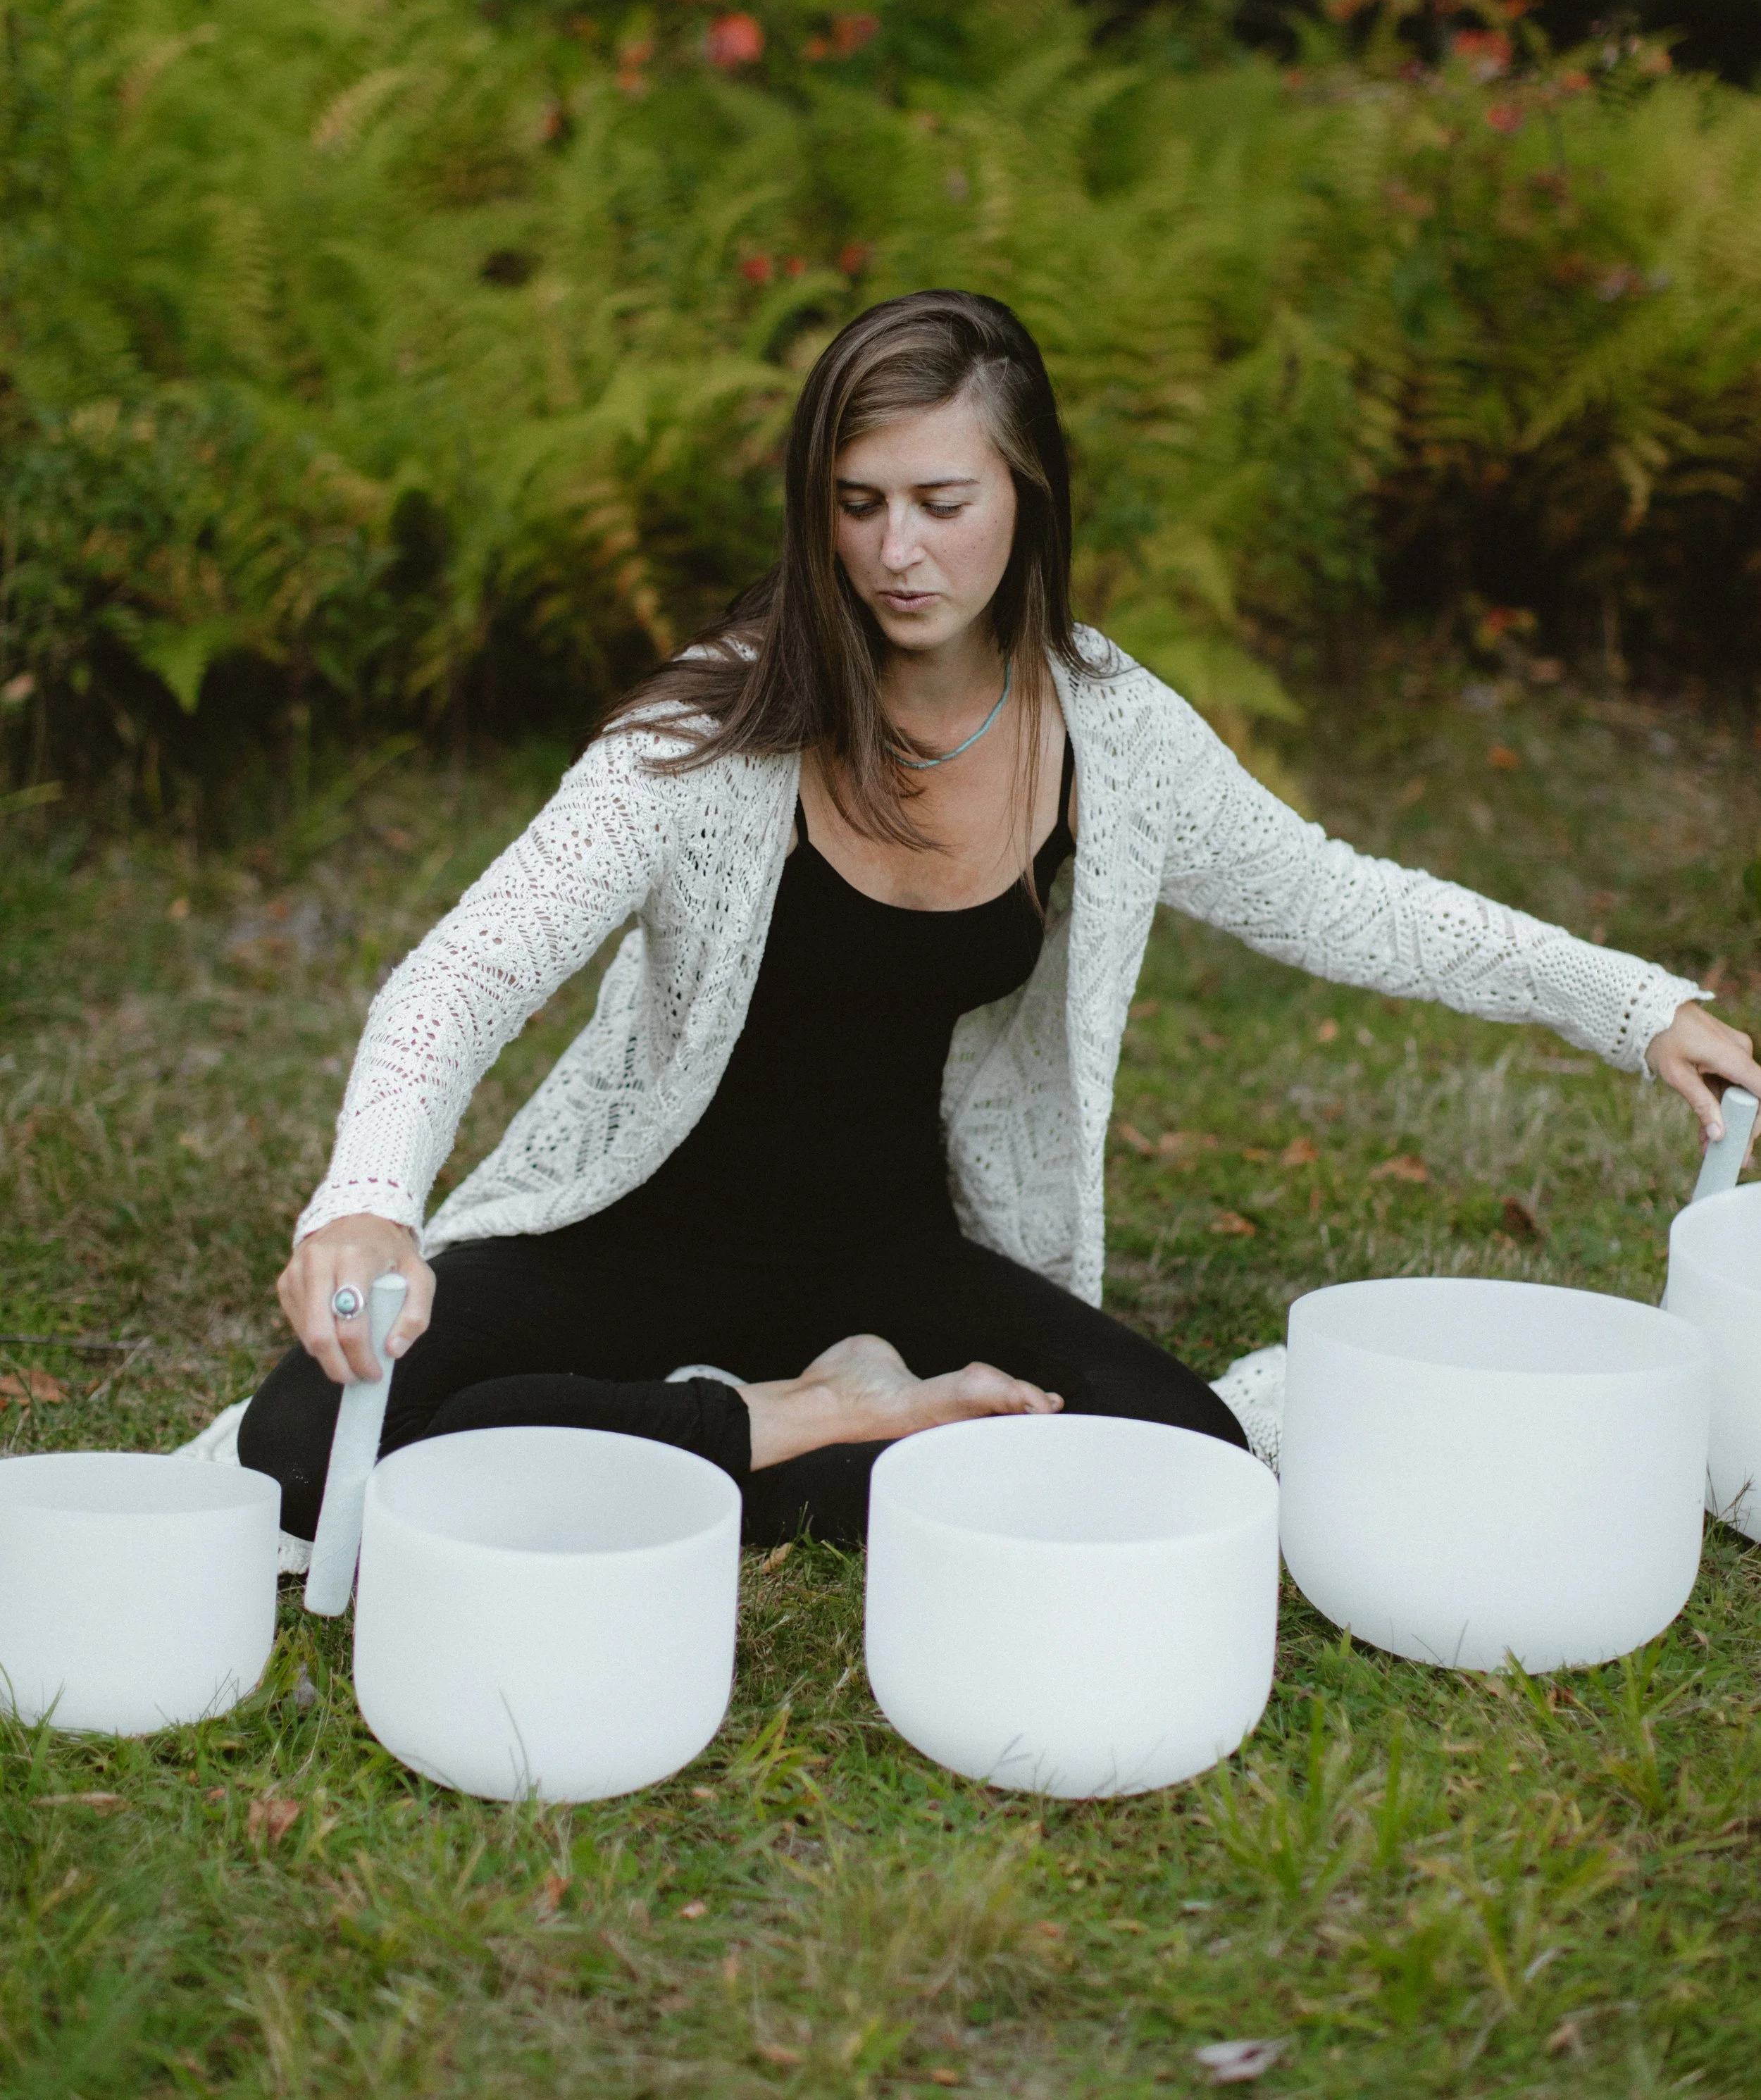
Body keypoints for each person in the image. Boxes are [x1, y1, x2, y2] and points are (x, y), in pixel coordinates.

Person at [240, 290, 1755, 1546]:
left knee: (1187, 1450)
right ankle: (813, 1421)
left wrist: (1627, 1005)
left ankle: (678, 1451)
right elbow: (465, 970)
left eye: (940, 503)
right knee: (305, 1441)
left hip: (884, 1256)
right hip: (630, 1240)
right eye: (858, 505)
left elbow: (1338, 898)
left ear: (1024, 497)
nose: (897, 553)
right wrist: (366, 1194)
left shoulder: (1108, 730)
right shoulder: (699, 741)